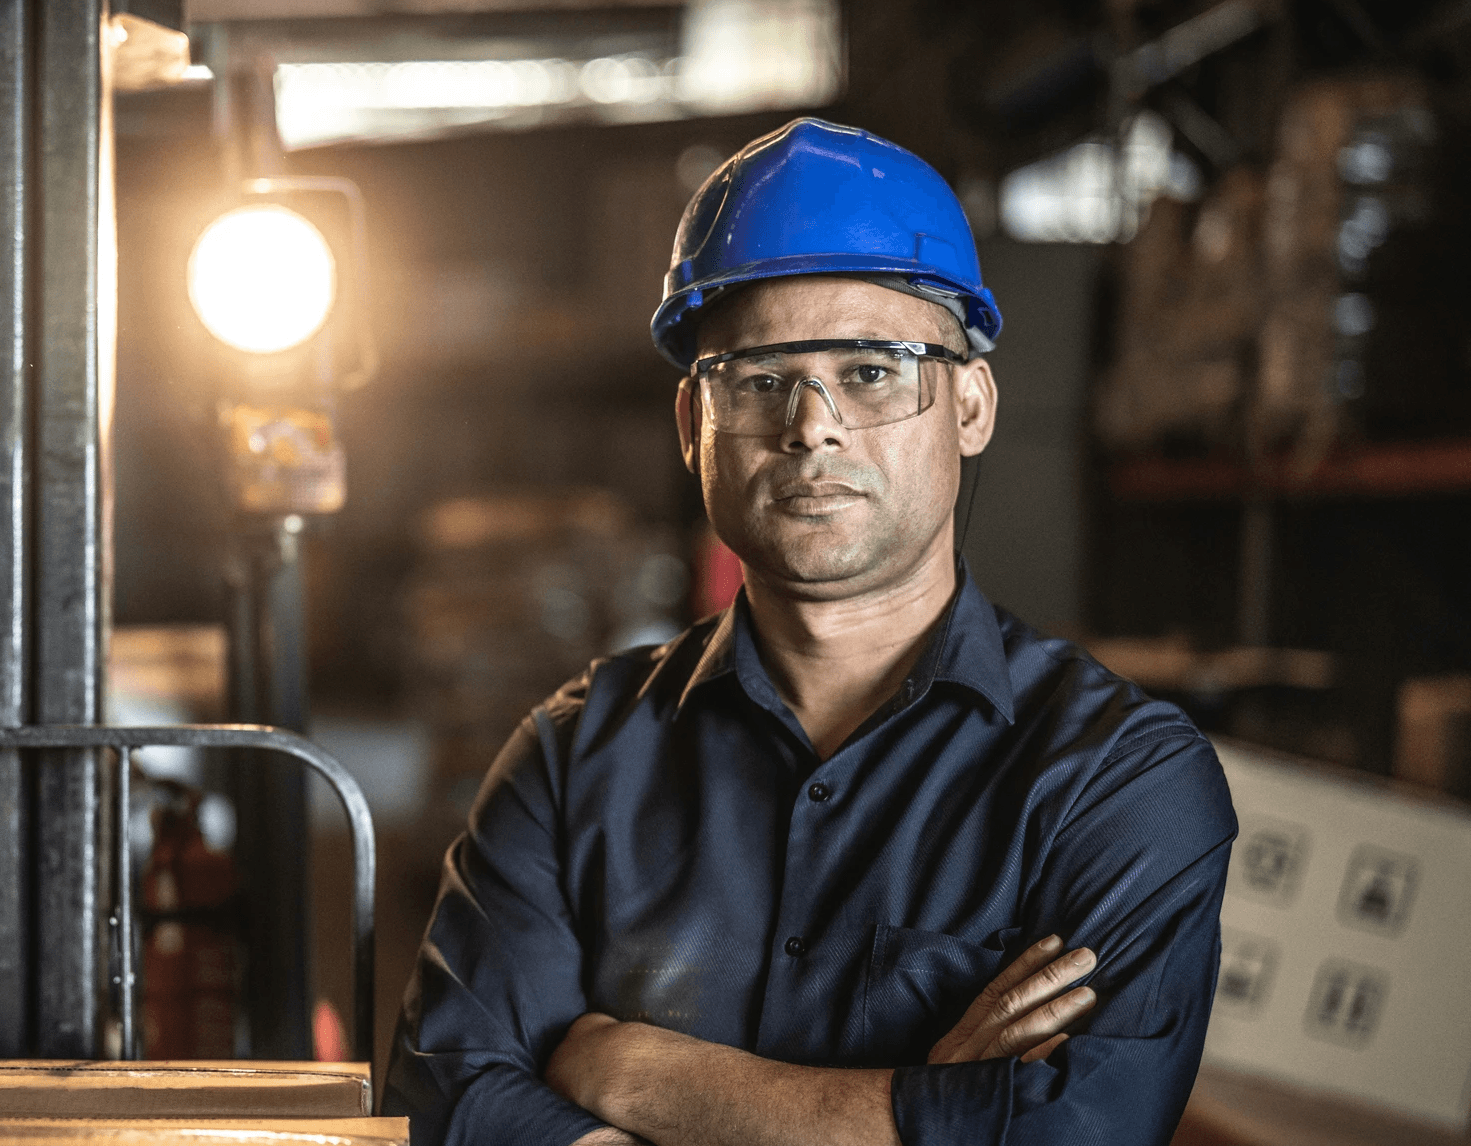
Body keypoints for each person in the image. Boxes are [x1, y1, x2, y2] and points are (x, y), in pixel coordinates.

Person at [383, 117, 1237, 1146]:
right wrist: (922, 1113)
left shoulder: (1115, 784)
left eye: (873, 372)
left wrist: (636, 1071)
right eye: (757, 379)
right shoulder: (571, 765)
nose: (811, 425)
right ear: (691, 425)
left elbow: (1073, 1132)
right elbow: (452, 1106)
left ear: (970, 405)